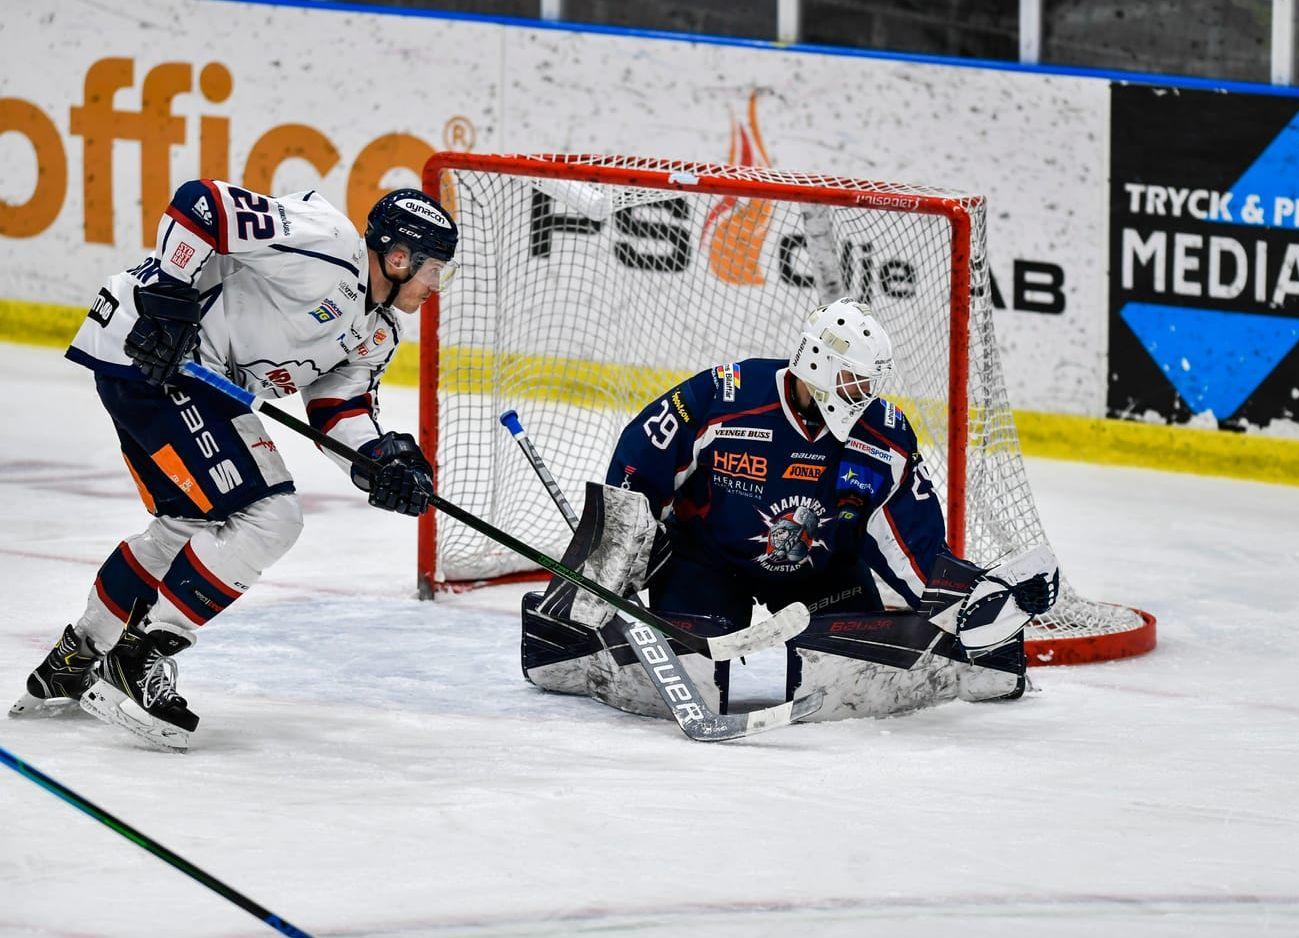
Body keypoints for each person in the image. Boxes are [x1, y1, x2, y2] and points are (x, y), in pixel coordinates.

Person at [9, 181, 458, 749]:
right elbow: (202, 205)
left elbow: (337, 407)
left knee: (187, 525)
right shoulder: (329, 244)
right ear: (399, 258)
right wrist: (170, 297)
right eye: (433, 269)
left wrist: (377, 461)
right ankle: (139, 659)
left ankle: (75, 658)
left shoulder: (379, 329)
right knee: (272, 515)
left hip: (183, 377)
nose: (435, 286)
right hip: (151, 355)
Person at [521, 298, 1059, 722]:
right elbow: (639, 469)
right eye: (854, 380)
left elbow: (915, 548)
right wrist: (618, 563)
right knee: (693, 678)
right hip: (706, 563)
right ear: (818, 363)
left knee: (855, 675)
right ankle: (569, 643)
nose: (864, 395)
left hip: (821, 571)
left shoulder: (884, 436)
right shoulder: (724, 396)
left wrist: (984, 599)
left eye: (871, 383)